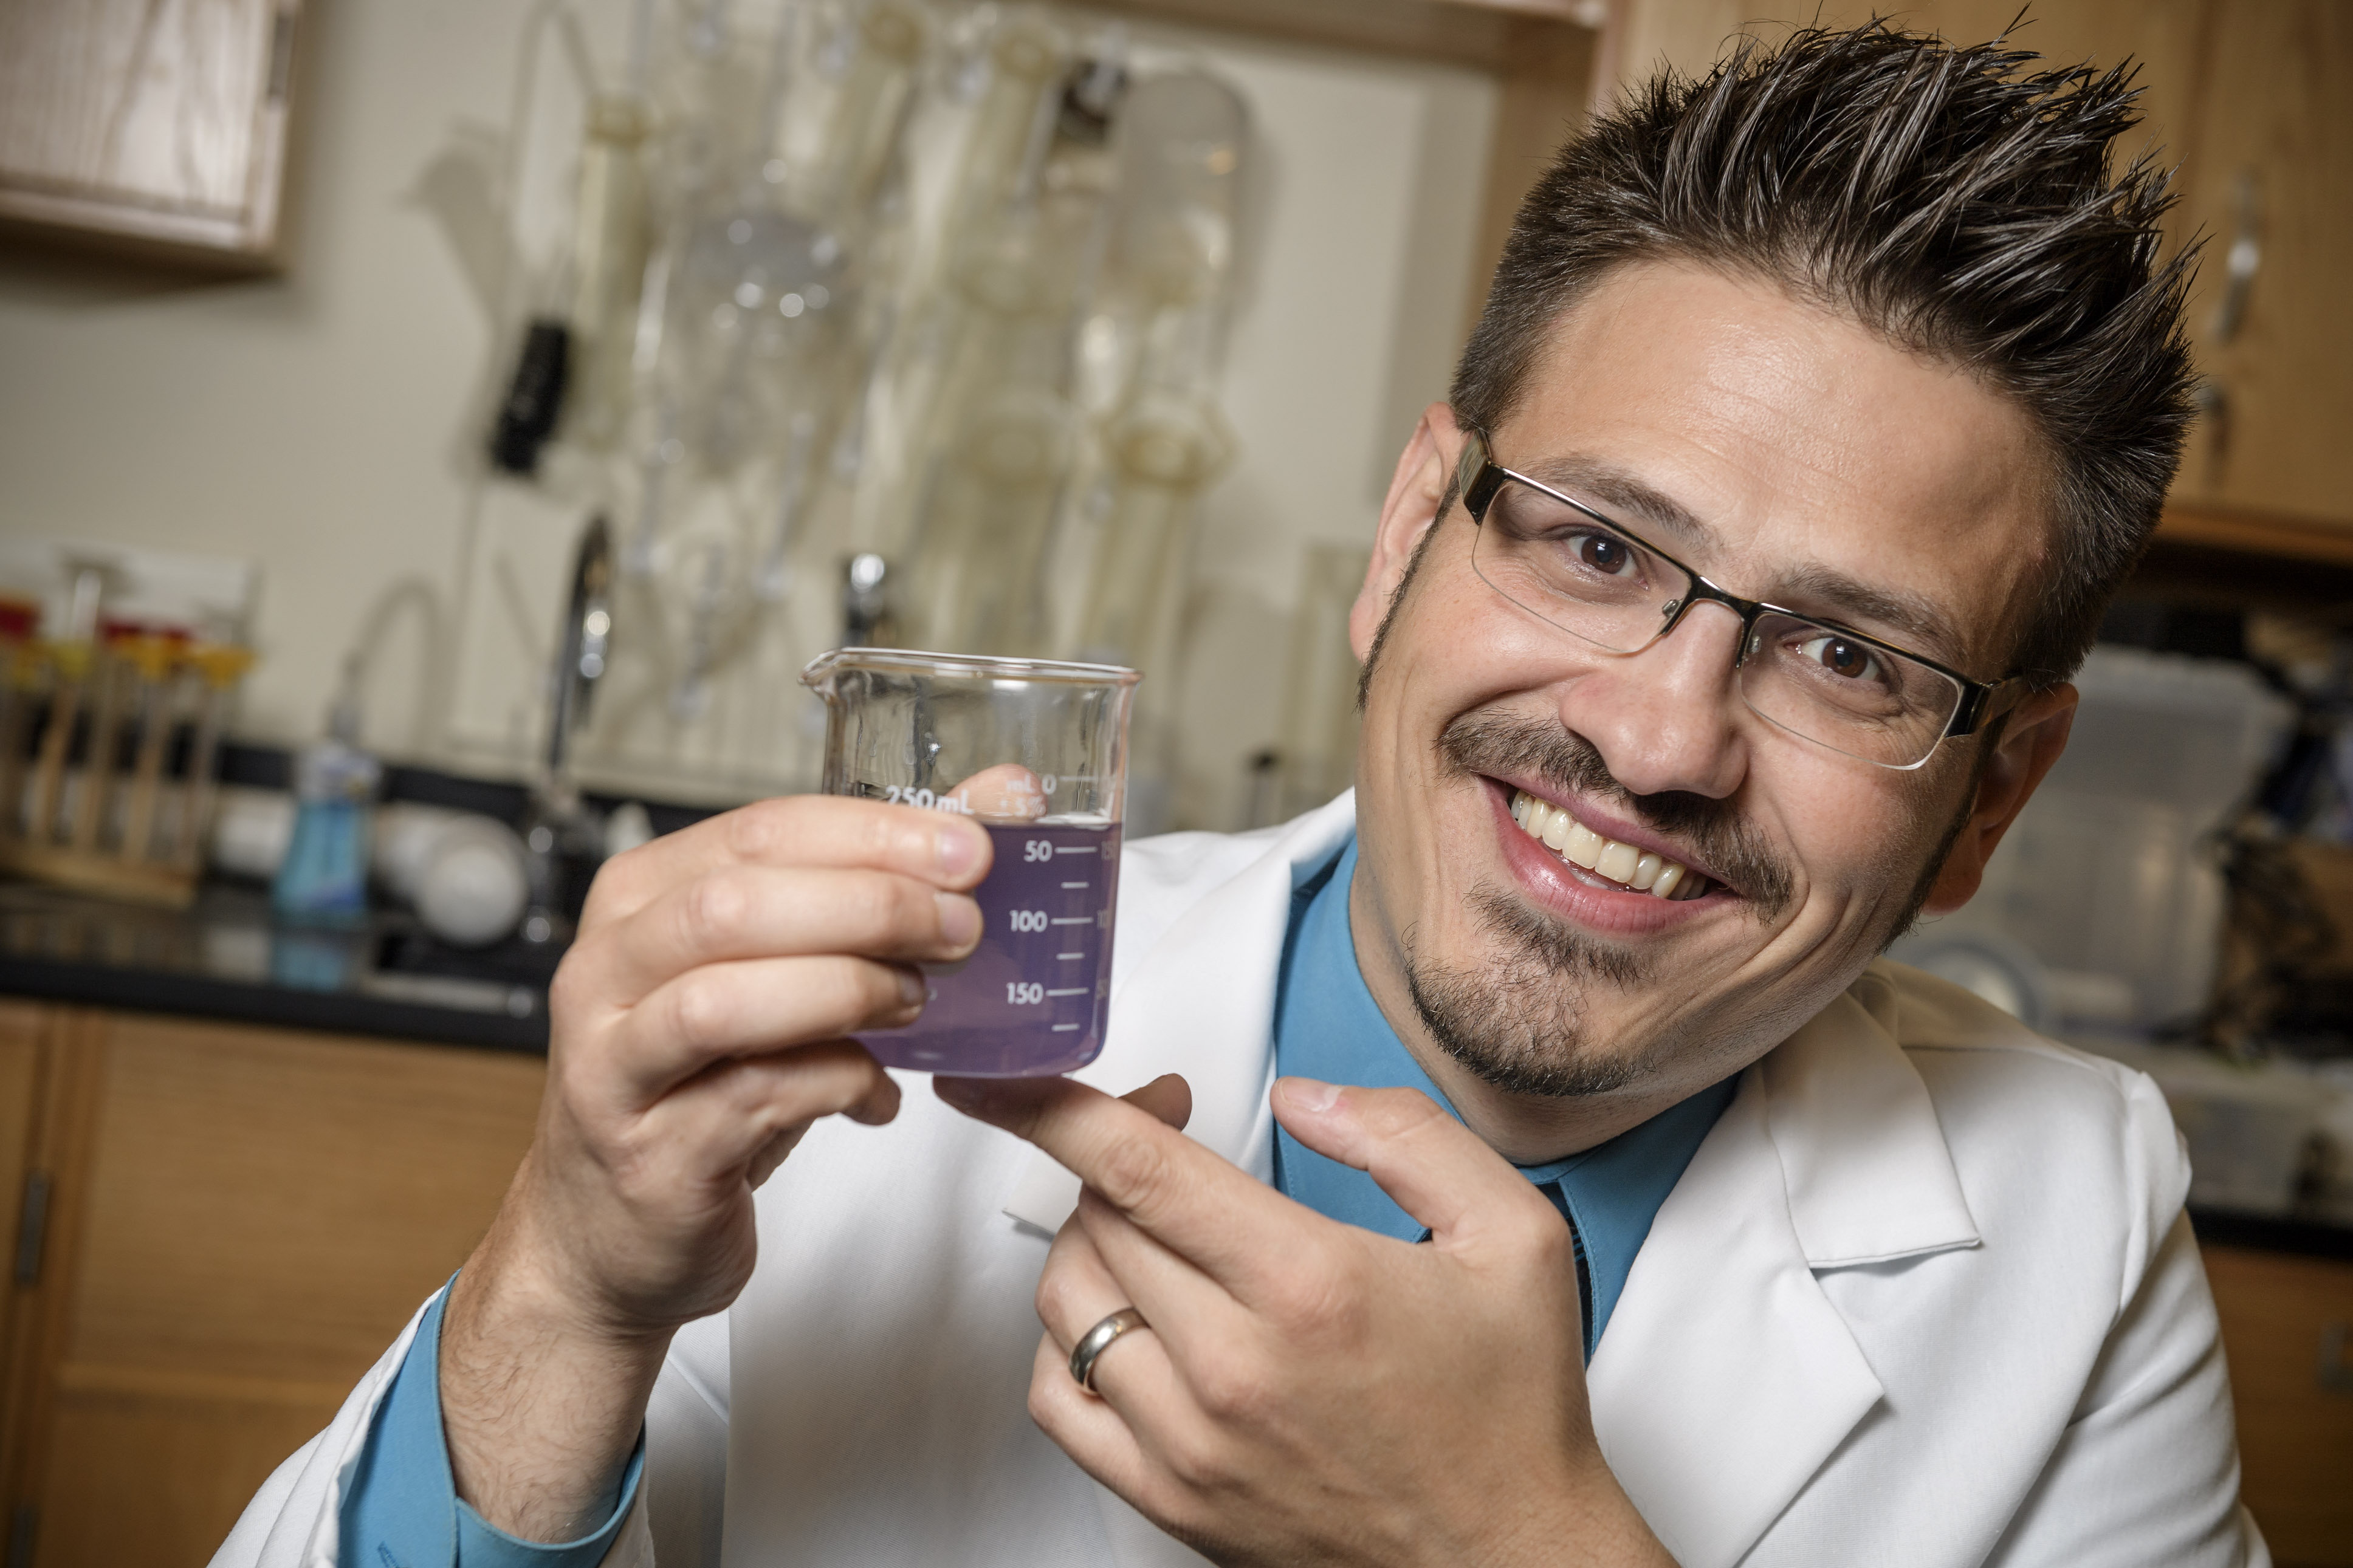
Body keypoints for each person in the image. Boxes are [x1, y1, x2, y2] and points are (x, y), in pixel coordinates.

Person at [217, 20, 2267, 1568]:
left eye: (1850, 657)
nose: (1659, 741)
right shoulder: (892, 1035)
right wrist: (564, 1290)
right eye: (1595, 548)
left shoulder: (2076, 1230)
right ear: (1405, 534)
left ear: (1998, 791)